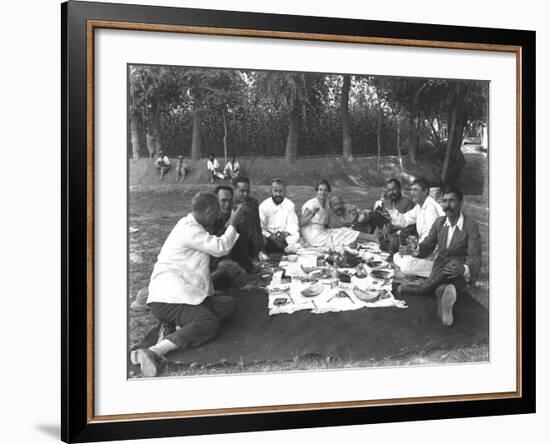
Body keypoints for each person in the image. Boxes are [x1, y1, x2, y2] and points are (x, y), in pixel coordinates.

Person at [130, 192, 246, 377]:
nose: (217, 216)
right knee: (209, 323)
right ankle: (154, 351)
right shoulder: (188, 229)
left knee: (227, 304)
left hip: (185, 292)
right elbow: (220, 247)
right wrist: (233, 223)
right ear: (209, 211)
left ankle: (176, 326)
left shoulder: (194, 226)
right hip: (168, 298)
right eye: (216, 212)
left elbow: (208, 258)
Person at [397, 186, 482, 326]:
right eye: (444, 201)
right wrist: (416, 248)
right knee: (441, 283)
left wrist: (464, 269)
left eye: (451, 201)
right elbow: (427, 246)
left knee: (451, 266)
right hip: (440, 266)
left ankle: (420, 289)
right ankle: (442, 295)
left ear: (461, 203)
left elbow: (476, 257)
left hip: (458, 269)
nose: (447, 205)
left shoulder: (470, 226)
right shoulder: (440, 222)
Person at [387, 178, 445, 277]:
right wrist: (391, 209)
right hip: (422, 251)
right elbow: (404, 221)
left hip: (433, 255)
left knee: (406, 267)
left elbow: (430, 244)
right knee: (397, 256)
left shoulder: (431, 210)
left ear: (425, 191)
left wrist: (413, 250)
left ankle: (438, 270)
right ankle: (418, 270)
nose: (411, 193)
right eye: (411, 190)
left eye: (415, 190)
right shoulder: (419, 207)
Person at [300, 179, 379, 248]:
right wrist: (312, 213)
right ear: (317, 190)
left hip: (322, 230)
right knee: (340, 236)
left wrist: (352, 210)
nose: (323, 192)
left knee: (344, 231)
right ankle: (372, 238)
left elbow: (338, 206)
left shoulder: (327, 203)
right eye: (320, 190)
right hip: (313, 234)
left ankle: (372, 237)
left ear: (328, 191)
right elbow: (302, 223)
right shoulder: (312, 203)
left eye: (325, 190)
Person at [213, 184, 260, 275]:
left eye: (230, 201)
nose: (227, 204)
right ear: (216, 201)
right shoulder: (211, 218)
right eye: (223, 201)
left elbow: (243, 244)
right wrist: (232, 222)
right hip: (216, 264)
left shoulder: (233, 216)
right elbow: (217, 244)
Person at [372, 179, 416, 252]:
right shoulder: (391, 203)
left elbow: (410, 227)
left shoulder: (408, 203)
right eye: (389, 190)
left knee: (394, 241)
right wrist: (386, 229)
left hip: (404, 236)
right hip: (391, 234)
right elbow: (389, 220)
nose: (391, 192)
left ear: (399, 189)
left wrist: (393, 232)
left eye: (394, 189)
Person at [258, 178, 300, 253]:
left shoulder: (290, 205)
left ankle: (286, 250)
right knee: (261, 239)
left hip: (284, 236)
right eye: (276, 191)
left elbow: (293, 224)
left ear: (285, 192)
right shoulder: (264, 206)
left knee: (296, 235)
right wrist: (270, 236)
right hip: (269, 237)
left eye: (281, 191)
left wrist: (285, 234)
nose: (278, 194)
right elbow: (260, 227)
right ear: (271, 191)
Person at [233, 177, 269, 263]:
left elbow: (257, 227)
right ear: (234, 189)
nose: (245, 194)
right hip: (235, 246)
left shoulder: (253, 203)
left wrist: (261, 250)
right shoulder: (229, 204)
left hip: (251, 245)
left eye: (248, 191)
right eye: (242, 191)